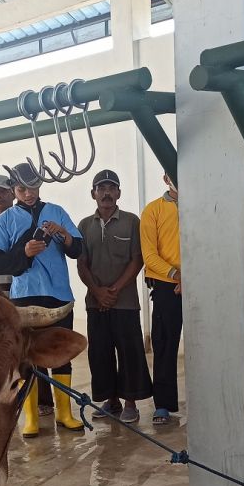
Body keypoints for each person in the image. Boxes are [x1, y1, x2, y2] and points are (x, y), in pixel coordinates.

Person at [0, 162, 85, 437]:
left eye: (33, 187)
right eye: (21, 189)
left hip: (59, 294)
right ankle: (30, 418)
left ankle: (64, 413)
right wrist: (25, 253)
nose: (29, 194)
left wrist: (63, 235)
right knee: (26, 357)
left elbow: (77, 248)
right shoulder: (4, 221)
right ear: (13, 189)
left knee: (61, 353)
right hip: (24, 296)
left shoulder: (57, 212)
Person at [0, 174, 54, 417]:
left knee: (33, 348)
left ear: (12, 193)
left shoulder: (33, 220)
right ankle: (10, 401)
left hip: (24, 294)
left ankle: (44, 401)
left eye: (2, 192)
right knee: (3, 353)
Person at [77, 170, 152, 423]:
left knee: (129, 352)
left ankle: (130, 403)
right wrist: (97, 292)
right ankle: (111, 402)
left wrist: (115, 290)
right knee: (100, 352)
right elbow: (82, 263)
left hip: (125, 302)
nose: (107, 193)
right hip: (95, 302)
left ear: (119, 193)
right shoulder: (84, 225)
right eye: (101, 188)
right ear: (93, 194)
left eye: (111, 188)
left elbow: (137, 259)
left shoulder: (132, 221)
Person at [140, 174, 182, 426]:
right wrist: (177, 275)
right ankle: (163, 405)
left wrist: (193, 276)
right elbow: (149, 254)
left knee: (210, 344)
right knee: (165, 346)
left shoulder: (203, 204)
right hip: (167, 285)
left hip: (201, 282)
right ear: (166, 178)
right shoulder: (153, 210)